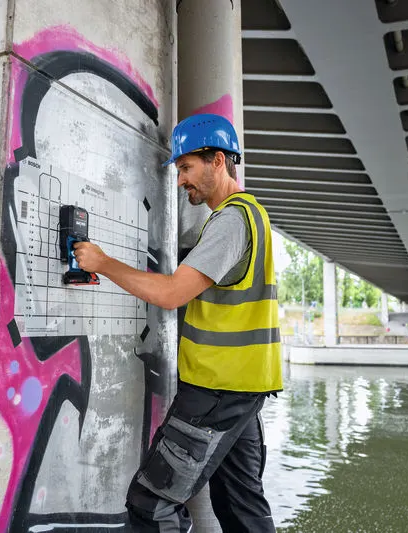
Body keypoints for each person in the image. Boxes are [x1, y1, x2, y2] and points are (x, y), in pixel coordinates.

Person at [73, 113, 281, 533]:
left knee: (151, 506)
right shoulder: (254, 215)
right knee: (242, 508)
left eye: (186, 167)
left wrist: (101, 262)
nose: (181, 179)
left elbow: (171, 293)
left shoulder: (231, 221)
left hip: (217, 391)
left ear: (217, 160)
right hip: (245, 389)